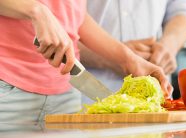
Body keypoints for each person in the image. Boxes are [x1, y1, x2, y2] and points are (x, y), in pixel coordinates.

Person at [0, 0, 172, 123]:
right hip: (8, 88)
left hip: (66, 91)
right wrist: (36, 10)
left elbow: (74, 13)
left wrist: (129, 59)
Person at [79, 0, 186, 103]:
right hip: (88, 97)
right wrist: (118, 58)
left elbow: (180, 11)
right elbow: (67, 22)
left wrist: (169, 45)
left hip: (155, 103)